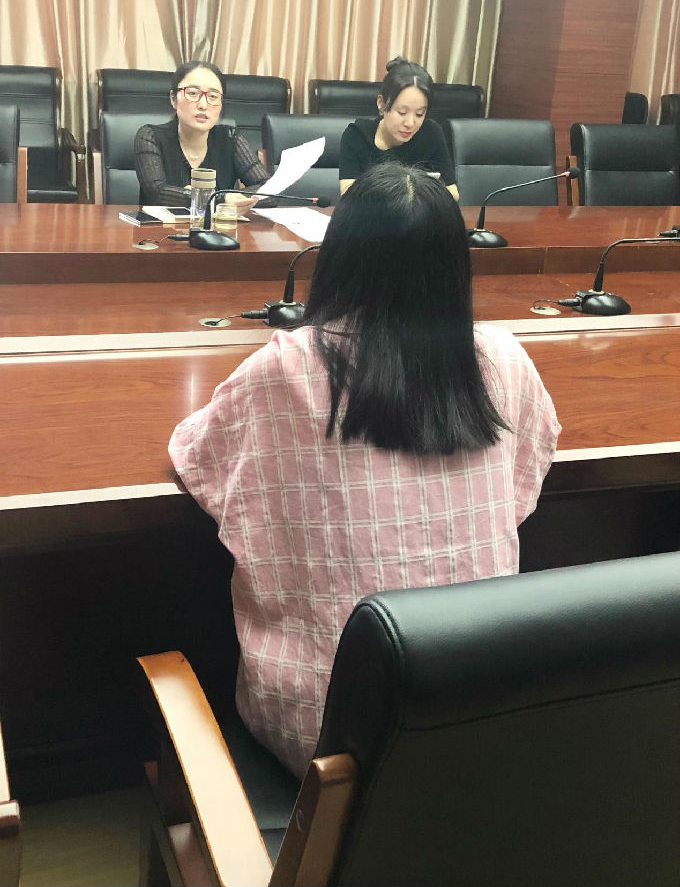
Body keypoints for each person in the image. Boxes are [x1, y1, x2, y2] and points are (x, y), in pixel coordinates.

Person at [168, 161, 560, 778]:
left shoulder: (287, 367)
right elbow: (520, 491)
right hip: (473, 717)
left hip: (328, 743)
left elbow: (197, 460)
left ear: (340, 257)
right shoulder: (505, 359)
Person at [134, 60, 269, 207]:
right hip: (159, 223)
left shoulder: (230, 138)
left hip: (219, 223)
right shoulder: (150, 137)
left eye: (213, 96)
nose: (203, 105)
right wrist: (221, 199)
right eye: (193, 93)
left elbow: (269, 190)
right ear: (173, 99)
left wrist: (234, 199)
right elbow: (157, 193)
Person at [339, 56, 459, 200]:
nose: (410, 123)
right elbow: (348, 196)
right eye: (402, 112)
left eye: (419, 114)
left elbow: (453, 193)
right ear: (381, 104)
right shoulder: (357, 135)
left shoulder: (431, 134)